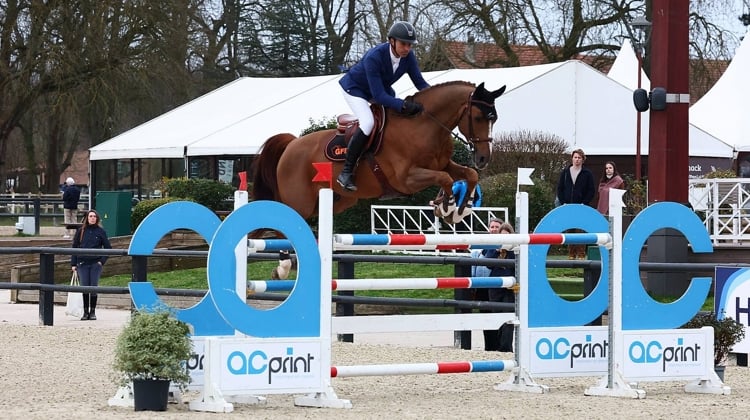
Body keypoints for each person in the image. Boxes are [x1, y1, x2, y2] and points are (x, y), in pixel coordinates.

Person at [337, 21, 430, 191]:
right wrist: (404, 105)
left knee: (394, 118)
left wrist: (434, 99)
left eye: (410, 44)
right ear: (392, 41)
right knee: (368, 122)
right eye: (404, 43)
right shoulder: (375, 56)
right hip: (355, 89)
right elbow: (379, 96)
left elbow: (420, 83)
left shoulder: (408, 57)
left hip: (378, 89)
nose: (407, 48)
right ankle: (346, 171)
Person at [471, 218, 516, 352]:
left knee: (508, 317)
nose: (494, 230)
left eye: (497, 227)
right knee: (495, 317)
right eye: (492, 227)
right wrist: (496, 249)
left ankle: (505, 347)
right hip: (492, 286)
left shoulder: (515, 248)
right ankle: (494, 346)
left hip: (509, 287)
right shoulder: (491, 246)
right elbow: (488, 262)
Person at [71, 210, 112, 320]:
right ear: (87, 218)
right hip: (82, 263)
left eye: (94, 216)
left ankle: (93, 311)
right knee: (84, 287)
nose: (92, 218)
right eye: (90, 216)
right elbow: (74, 247)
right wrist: (73, 263)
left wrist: (101, 261)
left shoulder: (101, 232)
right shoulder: (81, 231)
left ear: (97, 218)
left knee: (93, 286)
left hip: (95, 263)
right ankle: (85, 312)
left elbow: (108, 248)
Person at [556, 148, 595, 259]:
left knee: (581, 229)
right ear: (572, 158)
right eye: (575, 157)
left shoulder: (587, 173)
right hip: (568, 205)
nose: (577, 159)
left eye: (579, 157)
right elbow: (560, 189)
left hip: (581, 206)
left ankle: (582, 254)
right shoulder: (565, 172)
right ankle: (571, 254)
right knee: (570, 229)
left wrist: (585, 202)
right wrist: (563, 202)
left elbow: (591, 190)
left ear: (583, 159)